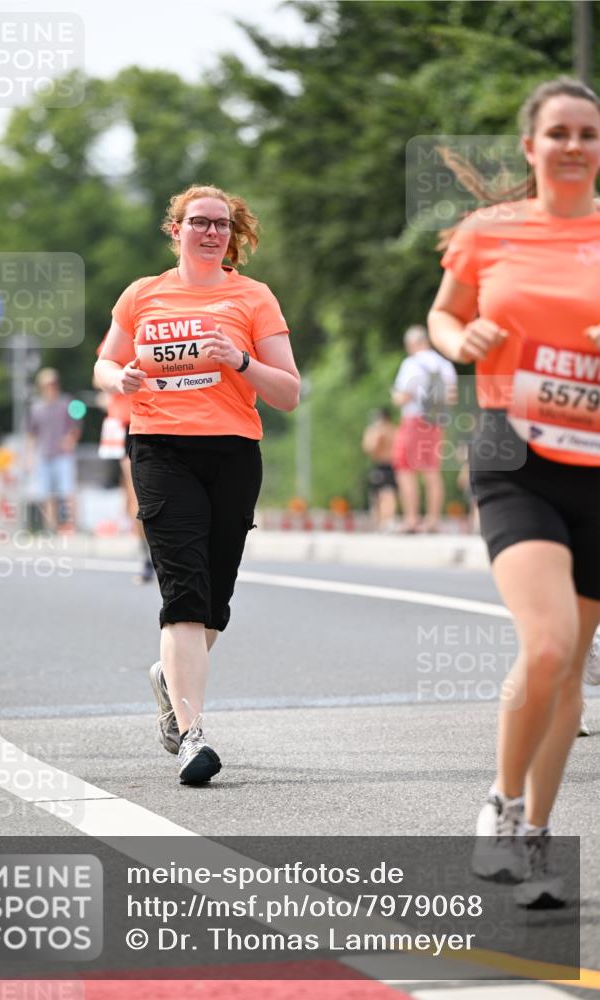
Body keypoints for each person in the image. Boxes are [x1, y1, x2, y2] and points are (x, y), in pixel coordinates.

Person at [428, 77, 600, 907]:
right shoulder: (487, 232)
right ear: (530, 146)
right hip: (513, 451)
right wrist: (460, 337)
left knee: (568, 672)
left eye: (587, 134)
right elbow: (441, 315)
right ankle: (499, 808)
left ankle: (535, 833)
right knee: (549, 643)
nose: (573, 146)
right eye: (558, 132)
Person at [94, 184, 300, 785]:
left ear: (231, 235)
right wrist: (119, 378)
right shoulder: (143, 294)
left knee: (214, 601)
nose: (212, 232)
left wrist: (240, 360)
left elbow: (288, 392)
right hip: (160, 449)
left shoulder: (254, 297)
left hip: (233, 452)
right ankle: (192, 737)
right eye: (199, 222)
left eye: (221, 224)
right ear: (176, 229)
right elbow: (105, 362)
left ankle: (169, 676)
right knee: (183, 590)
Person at [95, 338, 154, 583]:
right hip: (126, 422)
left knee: (140, 494)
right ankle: (147, 556)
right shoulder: (121, 328)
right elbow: (99, 373)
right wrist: (119, 379)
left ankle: (153, 554)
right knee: (136, 494)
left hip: (155, 417)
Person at [391, 325, 457, 532]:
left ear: (411, 344)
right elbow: (452, 397)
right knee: (432, 470)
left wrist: (395, 396)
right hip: (436, 421)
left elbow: (403, 396)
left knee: (405, 468)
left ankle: (411, 519)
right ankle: (433, 520)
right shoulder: (444, 364)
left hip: (414, 420)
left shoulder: (411, 363)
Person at [27, 368, 82, 531]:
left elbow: (77, 424)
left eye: (53, 383)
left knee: (68, 491)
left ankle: (71, 526)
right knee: (46, 493)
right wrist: (29, 456)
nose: (50, 387)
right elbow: (31, 434)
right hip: (44, 454)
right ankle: (50, 527)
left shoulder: (67, 403)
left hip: (63, 455)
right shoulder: (36, 408)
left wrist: (71, 439)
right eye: (46, 384)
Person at [361, 407, 398, 529]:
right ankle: (381, 521)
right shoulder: (392, 430)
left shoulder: (384, 430)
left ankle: (386, 520)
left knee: (386, 493)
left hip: (387, 464)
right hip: (381, 465)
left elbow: (369, 447)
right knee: (377, 494)